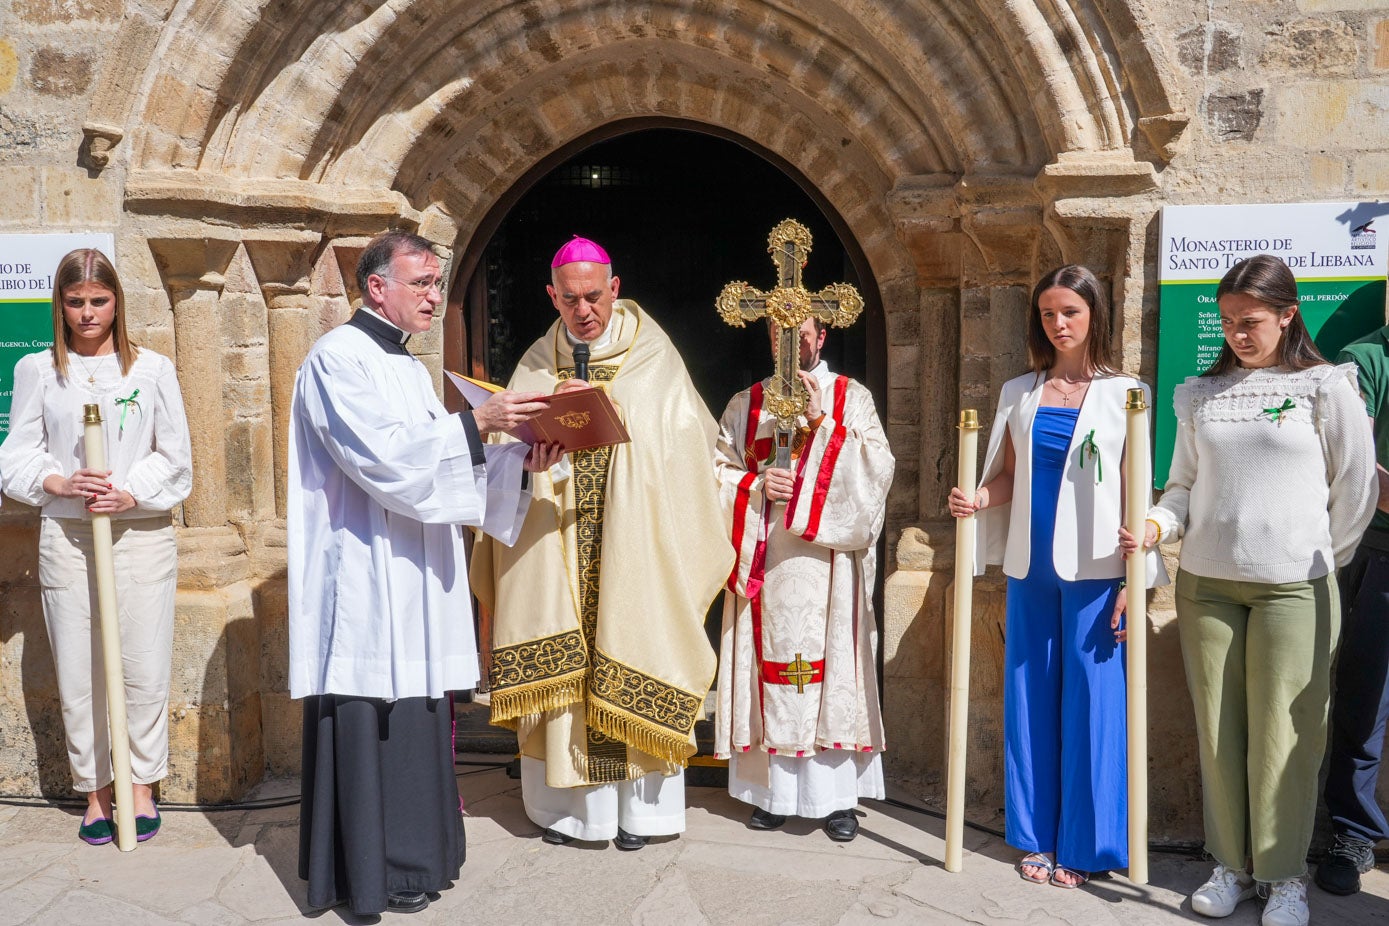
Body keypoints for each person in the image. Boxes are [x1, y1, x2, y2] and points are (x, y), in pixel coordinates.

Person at [288, 230, 561, 917]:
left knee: (418, 709)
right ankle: (375, 870)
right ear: (377, 286)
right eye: (423, 284)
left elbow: (434, 463)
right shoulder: (336, 359)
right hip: (365, 573)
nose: (436, 297)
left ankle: (421, 857)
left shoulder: (408, 367)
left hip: (412, 569)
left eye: (439, 284)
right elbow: (384, 462)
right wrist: (477, 424)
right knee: (374, 709)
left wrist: (516, 463)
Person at [1128, 254, 1375, 926]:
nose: (1237, 333)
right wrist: (1155, 523)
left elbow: (1353, 492)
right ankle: (1230, 866)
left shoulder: (1327, 387)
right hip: (1206, 585)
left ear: (1287, 314)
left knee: (1286, 737)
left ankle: (1282, 876)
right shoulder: (1199, 395)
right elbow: (1180, 486)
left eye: (1251, 321)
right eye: (1228, 321)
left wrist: (1314, 557)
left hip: (1294, 591)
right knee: (1218, 733)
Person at [470, 236, 732, 851]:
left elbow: (689, 453)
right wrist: (531, 459)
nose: (583, 310)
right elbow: (503, 457)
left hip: (634, 549)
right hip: (556, 546)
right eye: (569, 300)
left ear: (614, 287)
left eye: (593, 297)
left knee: (635, 638)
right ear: (551, 296)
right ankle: (570, 815)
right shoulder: (536, 361)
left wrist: (623, 436)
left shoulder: (655, 358)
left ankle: (642, 817)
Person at [948, 264, 1166, 889]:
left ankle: (1088, 843)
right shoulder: (1019, 390)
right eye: (1047, 313)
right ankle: (1035, 836)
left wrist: (1136, 579)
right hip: (1031, 567)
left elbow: (1137, 489)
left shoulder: (1129, 394)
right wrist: (980, 499)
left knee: (1096, 704)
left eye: (1069, 311)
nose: (1058, 323)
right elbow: (1010, 475)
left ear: (1094, 313)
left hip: (1099, 570)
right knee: (1029, 700)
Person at [0, 248, 192, 845]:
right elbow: (16, 455)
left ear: (117, 303)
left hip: (140, 536)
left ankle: (141, 786)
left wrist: (130, 492)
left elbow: (176, 459)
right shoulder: (38, 370)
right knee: (81, 669)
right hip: (68, 534)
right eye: (76, 302)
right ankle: (96, 792)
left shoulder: (152, 369)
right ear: (59, 304)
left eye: (99, 301)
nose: (88, 314)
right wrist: (57, 481)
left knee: (142, 663)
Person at [712, 316, 894, 841]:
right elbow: (714, 472)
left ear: (823, 336)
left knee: (831, 669)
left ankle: (835, 800)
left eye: (803, 332)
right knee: (768, 665)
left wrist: (823, 426)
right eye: (779, 333)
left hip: (829, 564)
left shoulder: (851, 397)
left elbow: (878, 472)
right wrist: (752, 485)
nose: (791, 342)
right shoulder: (745, 403)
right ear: (769, 338)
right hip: (765, 559)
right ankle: (769, 795)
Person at [1317, 320, 1389, 896]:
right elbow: (1358, 464)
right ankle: (1352, 832)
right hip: (1380, 552)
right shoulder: (1365, 358)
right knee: (1365, 700)